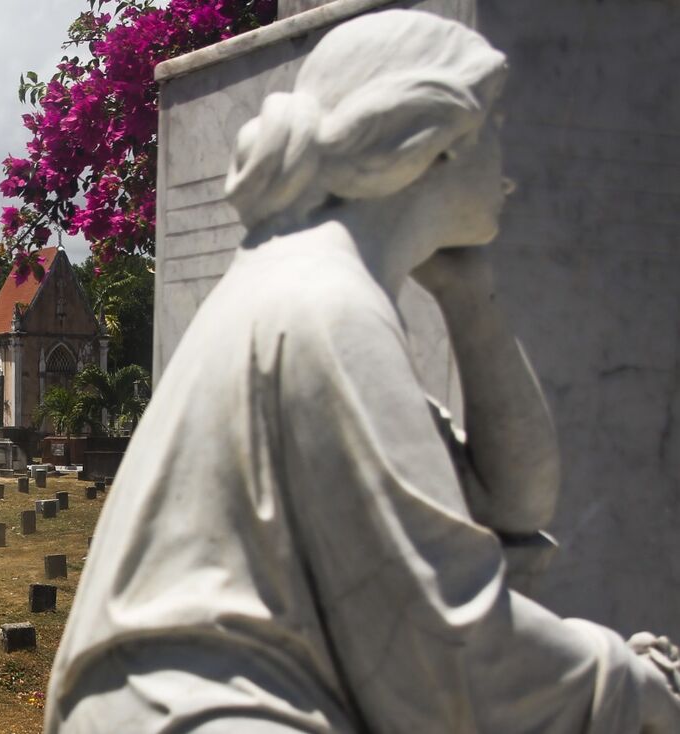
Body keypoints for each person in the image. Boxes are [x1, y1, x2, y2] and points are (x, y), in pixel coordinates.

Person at [44, 10, 680, 733]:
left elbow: (514, 507)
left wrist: (471, 301)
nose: (511, 160)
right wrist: (628, 681)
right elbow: (444, 647)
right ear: (435, 143)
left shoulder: (316, 280)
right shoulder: (326, 304)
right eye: (494, 122)